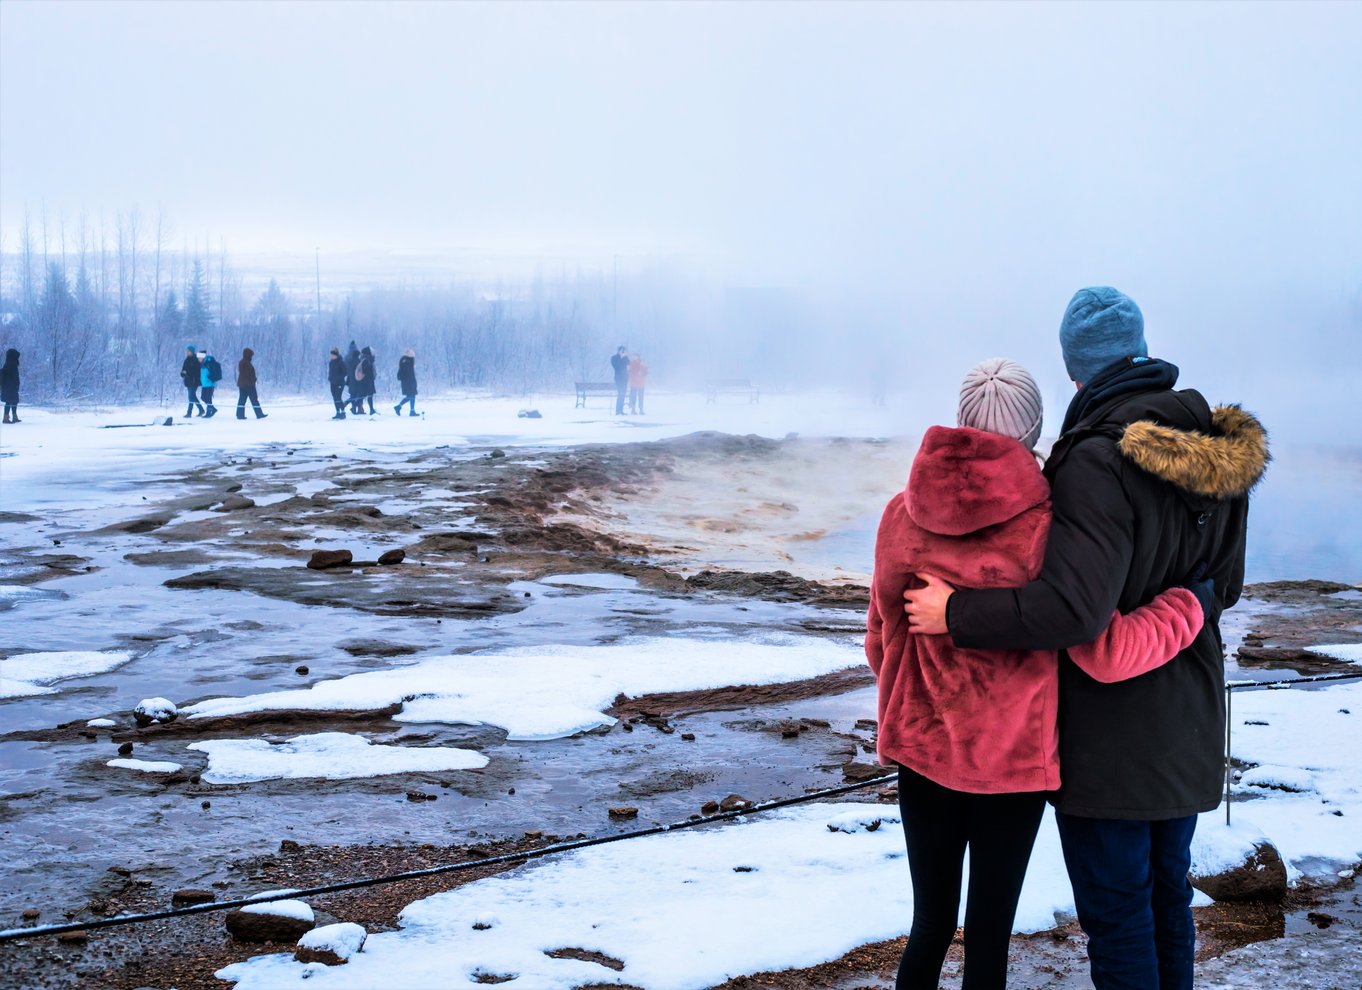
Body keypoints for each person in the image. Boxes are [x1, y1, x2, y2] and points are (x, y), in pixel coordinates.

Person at [903, 289, 1268, 990]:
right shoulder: (1221, 451)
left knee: (1121, 914)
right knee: (1169, 899)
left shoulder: (1093, 462)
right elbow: (1224, 585)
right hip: (1190, 724)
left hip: (1110, 740)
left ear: (1075, 374)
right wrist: (1183, 609)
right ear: (1140, 350)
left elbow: (1072, 610)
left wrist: (957, 614)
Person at [868, 357, 1208, 990]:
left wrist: (908, 703)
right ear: (1033, 430)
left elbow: (882, 635)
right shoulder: (1046, 526)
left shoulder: (900, 513)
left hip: (921, 747)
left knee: (930, 924)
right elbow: (1095, 647)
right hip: (1011, 765)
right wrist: (1192, 605)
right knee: (989, 934)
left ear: (963, 418)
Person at [235, 347, 267, 420]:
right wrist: (254, 379)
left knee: (242, 400)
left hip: (243, 384)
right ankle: (259, 414)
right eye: (251, 355)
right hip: (248, 385)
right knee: (254, 399)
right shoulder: (246, 363)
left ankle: (240, 415)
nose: (251, 357)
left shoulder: (242, 362)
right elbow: (248, 374)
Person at [181, 345, 205, 418]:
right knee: (192, 397)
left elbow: (198, 371)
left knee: (191, 396)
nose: (187, 352)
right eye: (187, 351)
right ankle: (201, 409)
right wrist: (183, 373)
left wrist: (192, 376)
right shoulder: (186, 360)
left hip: (194, 381)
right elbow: (183, 369)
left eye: (188, 351)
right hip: (188, 381)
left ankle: (189, 413)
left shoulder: (196, 360)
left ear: (192, 352)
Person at [199, 350, 223, 418]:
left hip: (209, 384)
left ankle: (209, 412)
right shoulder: (203, 363)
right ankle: (213, 409)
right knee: (203, 397)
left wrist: (210, 377)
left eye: (199, 358)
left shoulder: (208, 362)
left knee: (208, 398)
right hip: (204, 384)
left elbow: (213, 371)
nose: (198, 359)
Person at [355, 345, 378, 415]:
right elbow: (366, 372)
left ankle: (371, 409)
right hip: (367, 382)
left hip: (367, 381)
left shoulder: (367, 360)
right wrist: (371, 378)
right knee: (364, 395)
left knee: (367, 395)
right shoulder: (366, 361)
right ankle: (355, 406)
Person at [395, 348, 418, 416]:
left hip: (407, 382)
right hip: (409, 383)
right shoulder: (407, 363)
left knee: (410, 396)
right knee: (411, 396)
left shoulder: (405, 362)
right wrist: (413, 383)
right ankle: (411, 411)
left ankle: (399, 407)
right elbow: (409, 375)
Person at [328, 348, 348, 420]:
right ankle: (338, 412)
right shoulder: (331, 362)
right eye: (331, 355)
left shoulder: (341, 362)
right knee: (334, 397)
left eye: (333, 355)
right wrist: (330, 378)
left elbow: (345, 372)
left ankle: (343, 412)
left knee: (338, 397)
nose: (332, 356)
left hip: (340, 383)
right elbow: (331, 372)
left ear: (336, 355)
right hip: (332, 382)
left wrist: (338, 378)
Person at [1, 348, 20, 424]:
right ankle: (6, 418)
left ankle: (14, 416)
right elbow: (14, 376)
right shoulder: (11, 364)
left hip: (10, 386)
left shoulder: (10, 363)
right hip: (9, 386)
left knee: (14, 401)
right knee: (9, 401)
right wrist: (16, 383)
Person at [610, 345, 629, 415]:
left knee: (623, 394)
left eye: (624, 351)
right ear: (618, 351)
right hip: (618, 378)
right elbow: (616, 366)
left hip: (625, 378)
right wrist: (621, 358)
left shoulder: (626, 358)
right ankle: (618, 411)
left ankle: (621, 410)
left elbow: (629, 364)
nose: (622, 352)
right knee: (620, 393)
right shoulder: (614, 358)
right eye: (621, 350)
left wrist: (624, 358)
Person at [345, 340, 362, 414]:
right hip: (358, 379)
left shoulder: (347, 357)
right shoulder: (359, 361)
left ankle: (353, 407)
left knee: (352, 394)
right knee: (359, 394)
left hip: (350, 378)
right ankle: (358, 408)